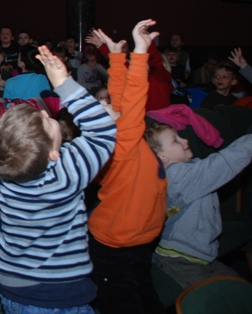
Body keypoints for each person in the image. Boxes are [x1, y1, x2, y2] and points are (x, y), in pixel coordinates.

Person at [0, 45, 117, 314]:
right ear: (53, 153)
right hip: (58, 293)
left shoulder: (7, 178)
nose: (46, 112)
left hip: (12, 287)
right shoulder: (65, 175)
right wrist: (63, 83)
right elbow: (103, 132)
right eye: (45, 121)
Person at [87, 21, 168, 314]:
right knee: (122, 305)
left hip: (137, 240)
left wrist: (117, 56)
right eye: (102, 108)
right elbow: (133, 100)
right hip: (114, 248)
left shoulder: (122, 133)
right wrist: (140, 52)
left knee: (144, 295)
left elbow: (121, 100)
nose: (108, 104)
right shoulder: (121, 142)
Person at [148, 125, 252, 289]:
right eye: (175, 140)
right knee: (215, 297)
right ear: (163, 157)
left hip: (203, 256)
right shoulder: (178, 176)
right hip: (180, 260)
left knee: (240, 291)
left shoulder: (186, 170)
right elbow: (223, 163)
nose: (185, 140)